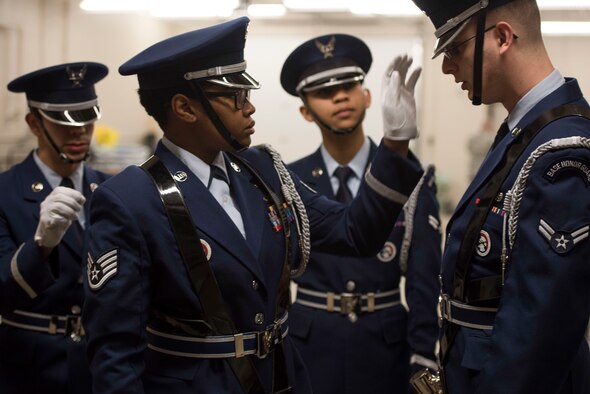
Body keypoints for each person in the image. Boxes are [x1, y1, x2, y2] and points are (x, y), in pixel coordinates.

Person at [82, 16, 424, 394]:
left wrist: (394, 143)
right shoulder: (131, 198)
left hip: (280, 379)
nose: (250, 108)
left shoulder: (261, 171)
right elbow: (115, 354)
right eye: (235, 96)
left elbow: (354, 233)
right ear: (185, 108)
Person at [411, 0, 590, 393]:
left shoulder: (561, 150)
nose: (446, 66)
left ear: (503, 37)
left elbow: (539, 326)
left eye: (456, 49)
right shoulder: (524, 131)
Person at [280, 34, 441, 393]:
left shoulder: (409, 178)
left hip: (384, 347)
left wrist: (423, 355)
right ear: (305, 111)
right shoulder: (288, 182)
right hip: (309, 346)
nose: (339, 96)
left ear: (367, 97)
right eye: (323, 92)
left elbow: (424, 281)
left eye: (350, 86)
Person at [0, 62, 110, 393]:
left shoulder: (111, 191)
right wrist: (41, 246)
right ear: (34, 123)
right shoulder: (5, 193)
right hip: (30, 368)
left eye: (86, 118)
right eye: (64, 121)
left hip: (101, 364)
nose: (79, 131)